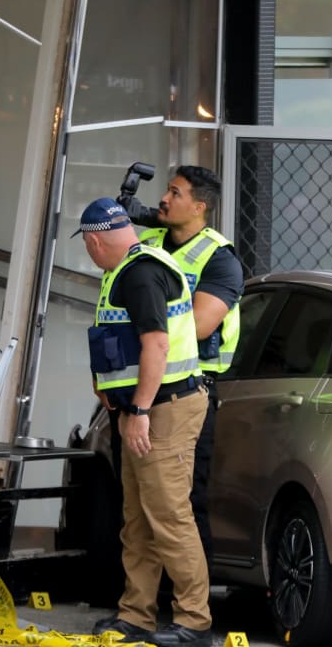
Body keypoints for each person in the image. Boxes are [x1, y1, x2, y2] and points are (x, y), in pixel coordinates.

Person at [74, 197, 213, 647]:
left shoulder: (140, 274)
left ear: (95, 241)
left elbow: (156, 346)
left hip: (163, 409)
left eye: (88, 247)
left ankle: (194, 622)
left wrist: (139, 412)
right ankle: (137, 614)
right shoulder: (130, 270)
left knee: (169, 516)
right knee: (138, 519)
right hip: (148, 409)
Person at [117, 165, 243, 568]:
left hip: (189, 391)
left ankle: (190, 614)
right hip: (140, 386)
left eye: (175, 193)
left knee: (184, 501)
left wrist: (147, 319)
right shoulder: (150, 240)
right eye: (166, 191)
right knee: (139, 508)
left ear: (199, 206)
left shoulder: (219, 260)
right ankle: (140, 609)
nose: (165, 199)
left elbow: (196, 326)